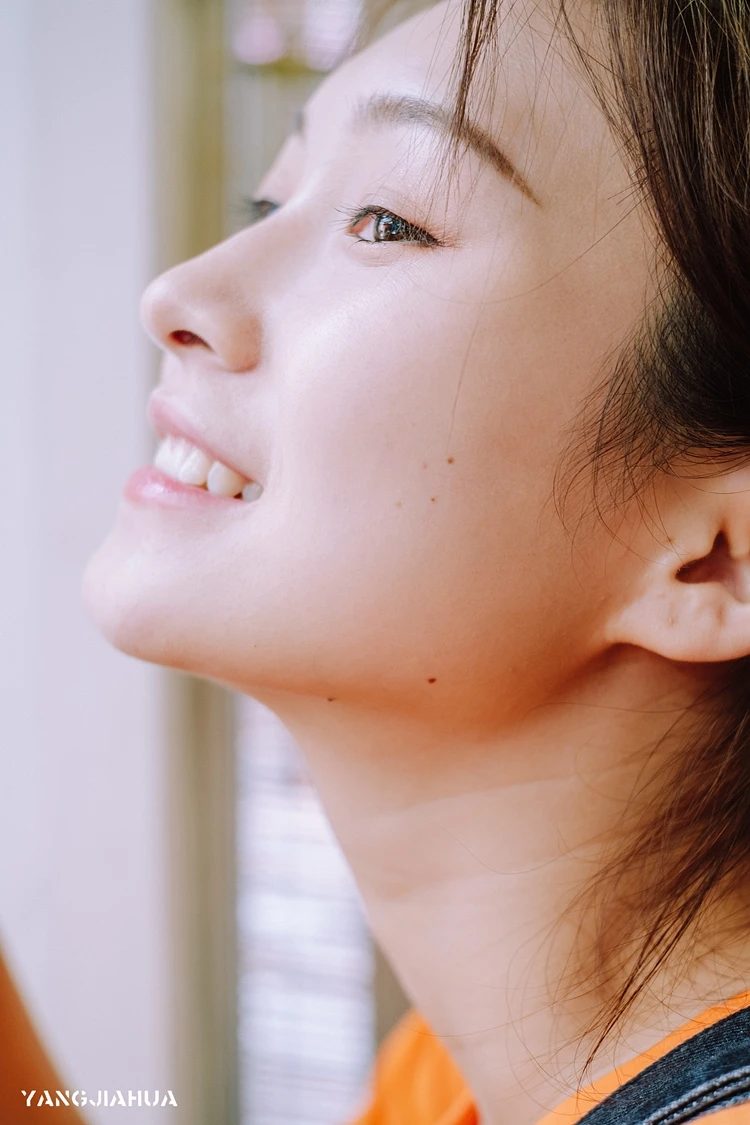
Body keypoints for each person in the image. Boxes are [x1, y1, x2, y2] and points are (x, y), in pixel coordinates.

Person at [82, 0, 750, 1121]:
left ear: (717, 559)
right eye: (271, 200)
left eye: (388, 221)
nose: (178, 295)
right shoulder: (450, 1074)